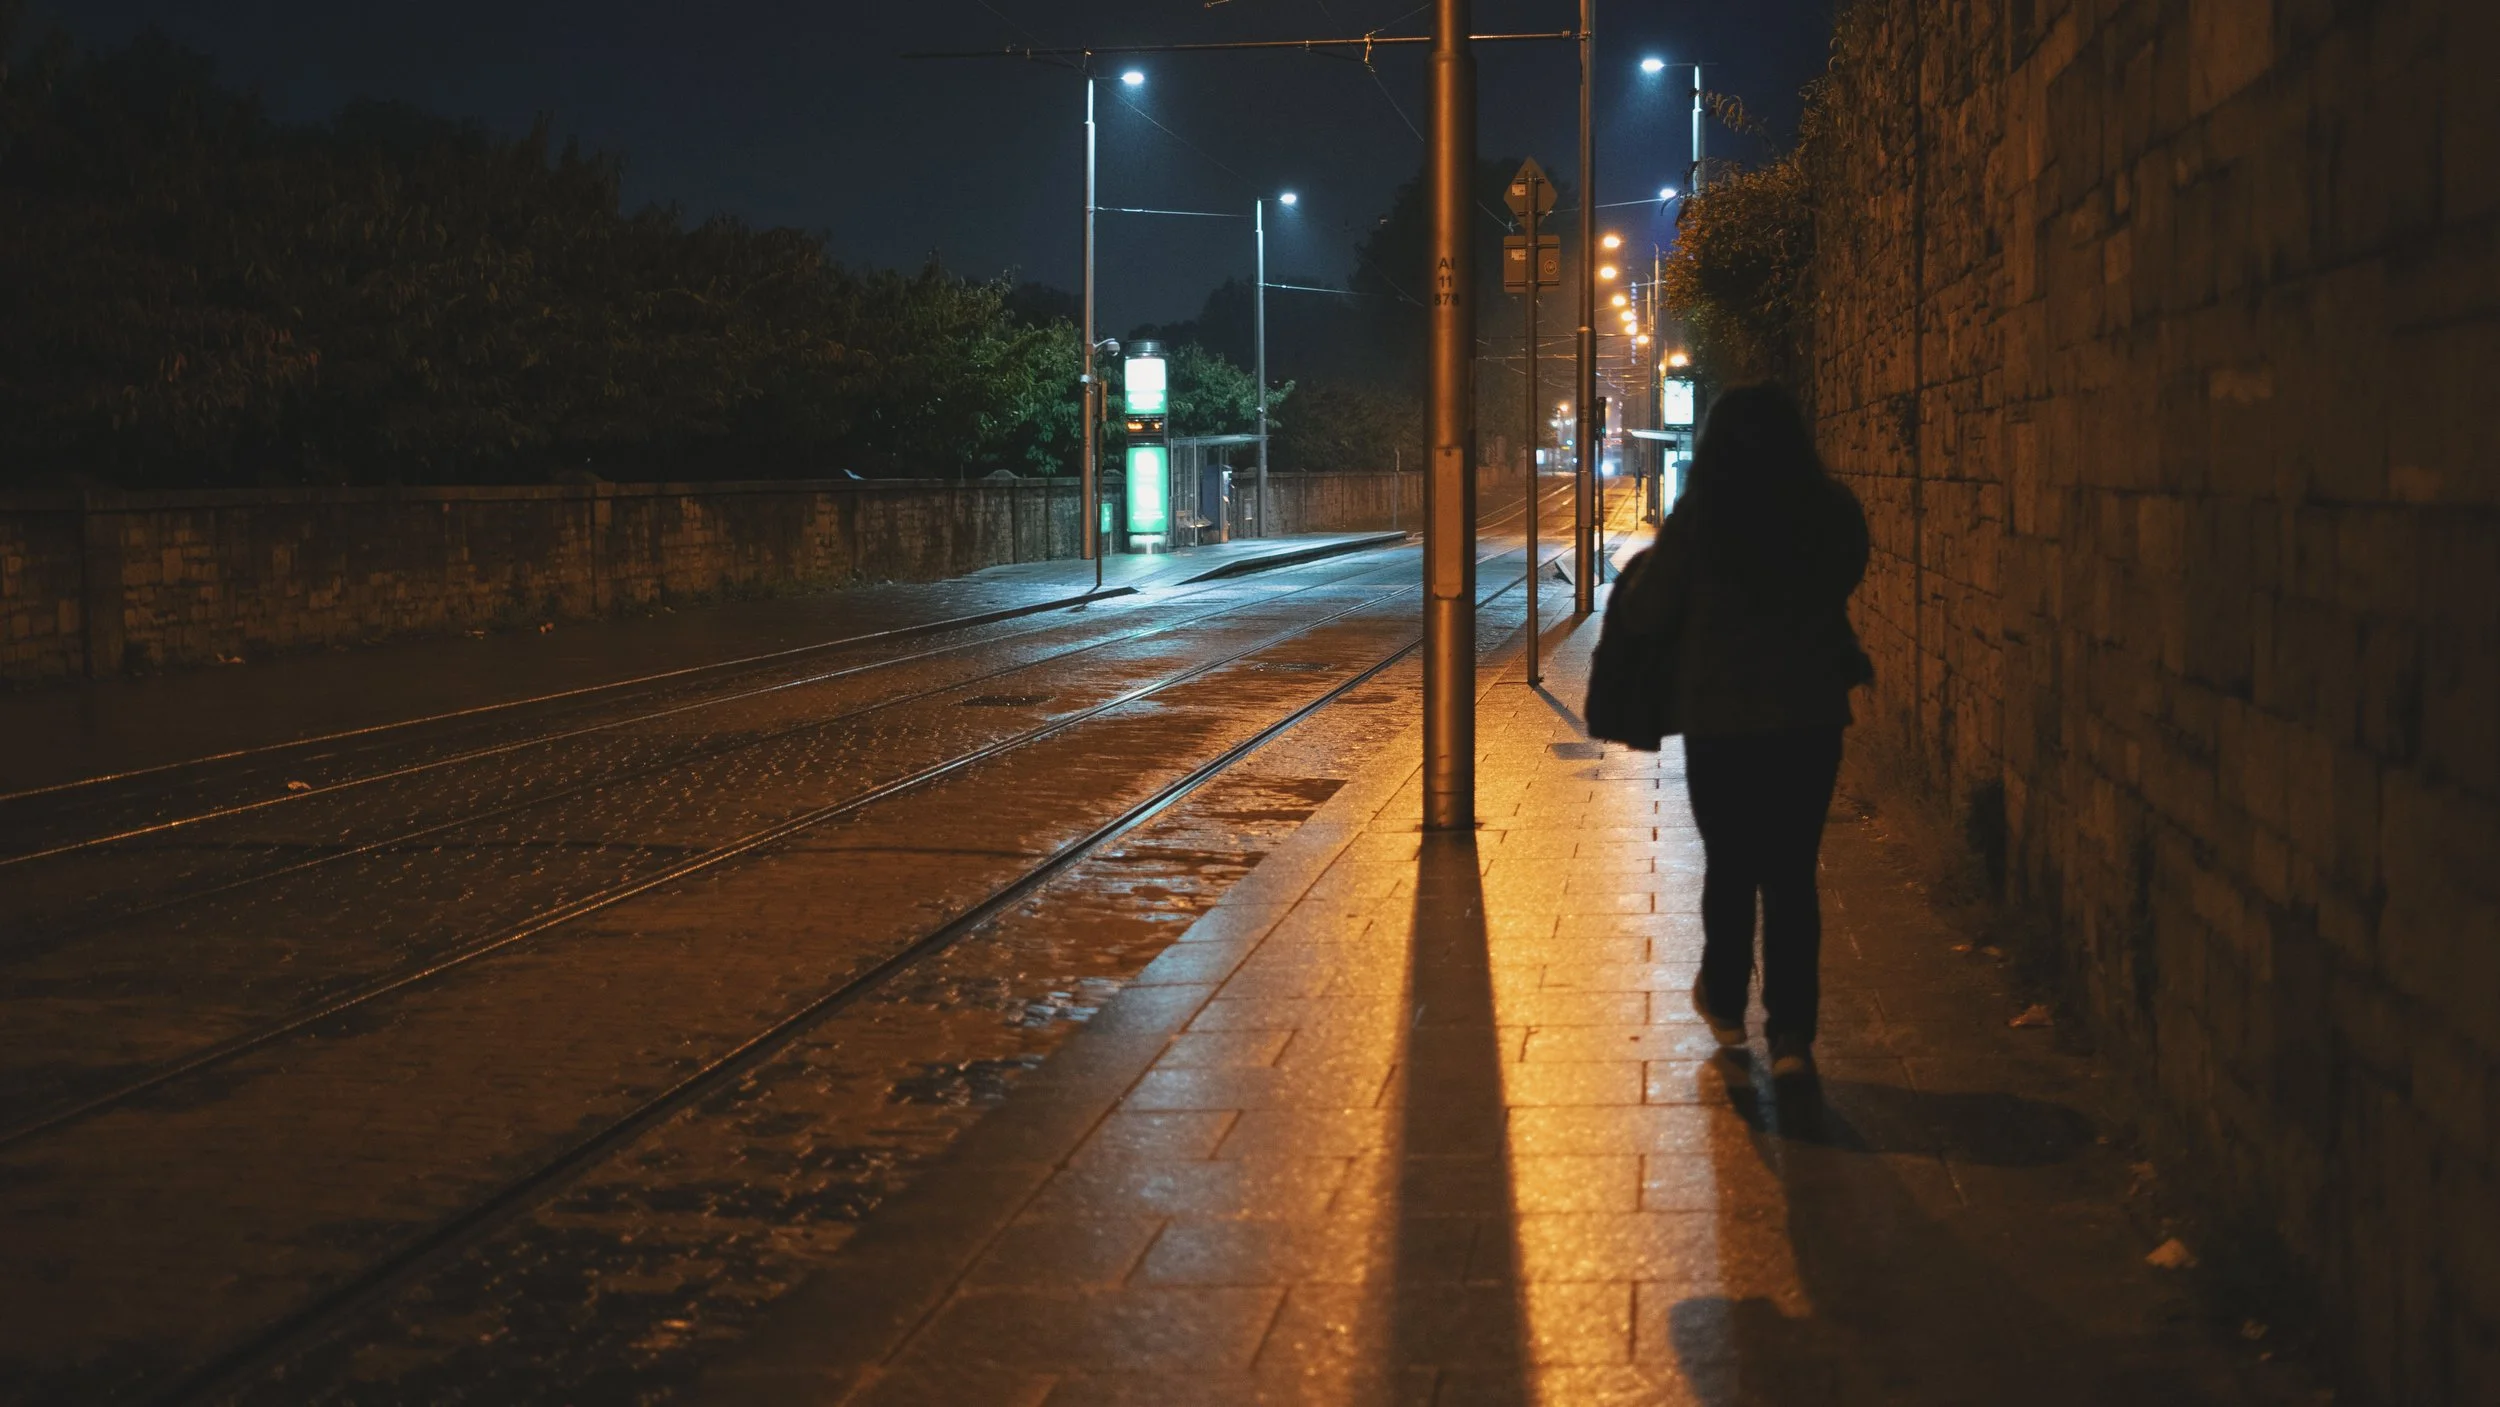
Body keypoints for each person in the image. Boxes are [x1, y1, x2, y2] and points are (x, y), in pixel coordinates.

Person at [1601, 383, 1871, 1083]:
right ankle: (1792, 1036)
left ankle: (1724, 1000)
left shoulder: (1701, 516)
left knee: (1731, 863)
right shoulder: (1830, 509)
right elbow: (1847, 571)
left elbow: (1649, 609)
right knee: (1792, 872)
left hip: (1721, 720)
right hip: (1810, 715)